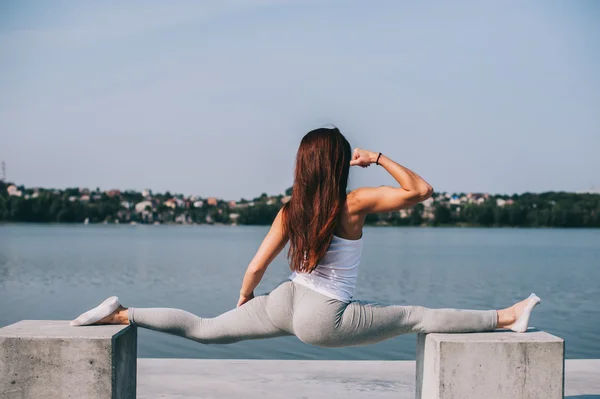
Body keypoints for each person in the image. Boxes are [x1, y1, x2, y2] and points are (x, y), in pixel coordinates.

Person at [70, 127, 541, 347]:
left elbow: (255, 267)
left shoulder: (290, 210)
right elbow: (421, 191)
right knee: (416, 316)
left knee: (204, 329)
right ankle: (506, 318)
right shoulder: (351, 205)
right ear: (338, 163)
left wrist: (247, 299)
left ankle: (122, 312)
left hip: (283, 301)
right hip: (322, 318)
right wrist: (376, 156)